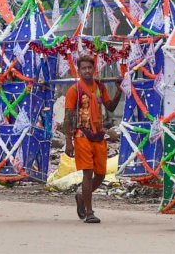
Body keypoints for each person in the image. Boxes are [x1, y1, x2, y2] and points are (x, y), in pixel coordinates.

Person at [64, 55, 122, 223]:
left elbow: (110, 106)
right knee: (87, 173)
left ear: (94, 69)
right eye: (84, 68)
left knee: (101, 174)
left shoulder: (100, 87)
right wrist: (69, 142)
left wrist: (119, 90)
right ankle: (89, 212)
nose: (87, 71)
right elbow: (68, 117)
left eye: (90, 68)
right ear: (79, 70)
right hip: (82, 135)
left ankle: (82, 197)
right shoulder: (74, 90)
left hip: (98, 135)